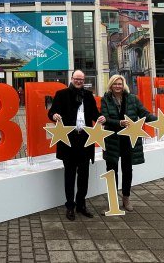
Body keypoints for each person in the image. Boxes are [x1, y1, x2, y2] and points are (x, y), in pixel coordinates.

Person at [48, 70, 106, 221]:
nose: (79, 81)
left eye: (81, 79)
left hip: (85, 141)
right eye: (76, 79)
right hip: (68, 141)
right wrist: (54, 115)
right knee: (69, 175)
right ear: (71, 78)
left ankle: (81, 205)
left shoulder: (88, 95)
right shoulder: (61, 94)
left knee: (84, 176)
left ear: (84, 80)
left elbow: (93, 113)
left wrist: (99, 117)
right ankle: (70, 207)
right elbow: (52, 112)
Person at [101, 75, 157, 212]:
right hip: (112, 140)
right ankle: (113, 201)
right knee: (111, 171)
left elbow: (144, 113)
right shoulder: (105, 99)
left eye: (120, 84)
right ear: (111, 85)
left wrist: (159, 121)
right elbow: (104, 118)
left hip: (128, 139)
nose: (118, 86)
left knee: (127, 170)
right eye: (115, 84)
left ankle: (126, 199)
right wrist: (119, 123)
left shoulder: (132, 99)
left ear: (123, 84)